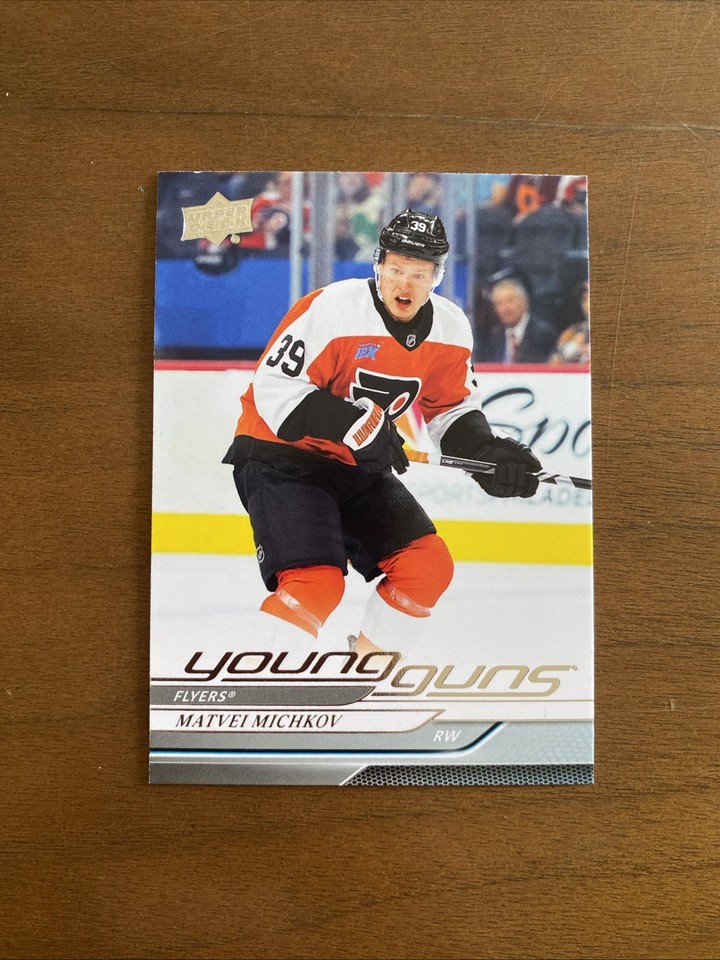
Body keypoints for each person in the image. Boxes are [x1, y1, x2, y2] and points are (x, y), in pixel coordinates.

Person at [223, 210, 542, 655]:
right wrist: (352, 423)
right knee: (315, 583)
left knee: (426, 567)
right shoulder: (333, 307)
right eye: (395, 269)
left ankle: (370, 670)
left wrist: (486, 454)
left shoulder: (451, 329)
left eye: (418, 274)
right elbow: (274, 388)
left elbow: (451, 409)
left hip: (355, 463)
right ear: (378, 265)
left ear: (436, 277)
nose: (404, 284)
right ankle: (259, 679)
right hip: (280, 454)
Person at [479, 269, 557, 364]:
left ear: (525, 302)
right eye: (499, 303)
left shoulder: (543, 334)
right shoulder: (494, 335)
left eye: (510, 301)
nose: (505, 308)